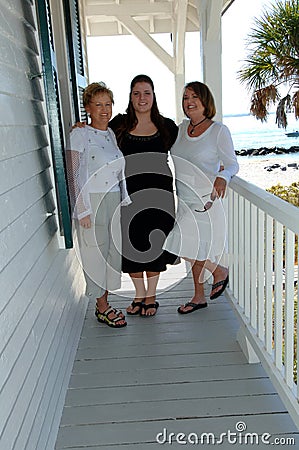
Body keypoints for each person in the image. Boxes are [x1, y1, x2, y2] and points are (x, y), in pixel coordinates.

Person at [163, 81, 239, 313]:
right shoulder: (180, 129)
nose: (189, 102)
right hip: (184, 199)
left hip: (205, 200)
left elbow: (233, 164)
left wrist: (223, 176)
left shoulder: (219, 131)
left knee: (179, 245)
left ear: (206, 101)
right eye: (185, 98)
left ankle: (218, 272)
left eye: (194, 96)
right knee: (196, 247)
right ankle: (198, 297)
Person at [110, 74, 178, 317]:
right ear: (130, 96)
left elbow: (186, 153)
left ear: (153, 95)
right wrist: (81, 127)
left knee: (155, 245)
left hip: (161, 197)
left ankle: (151, 296)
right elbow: (97, 138)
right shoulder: (117, 125)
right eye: (137, 93)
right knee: (132, 245)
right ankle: (139, 295)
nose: (142, 98)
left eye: (146, 93)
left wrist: (218, 169)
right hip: (129, 196)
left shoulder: (167, 126)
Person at [66, 82, 131, 328]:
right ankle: (102, 307)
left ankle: (105, 301)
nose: (104, 110)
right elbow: (73, 174)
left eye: (108, 104)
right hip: (92, 201)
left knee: (111, 254)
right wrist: (82, 208)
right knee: (95, 254)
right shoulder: (79, 134)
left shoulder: (110, 134)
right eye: (98, 105)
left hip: (113, 199)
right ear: (88, 109)